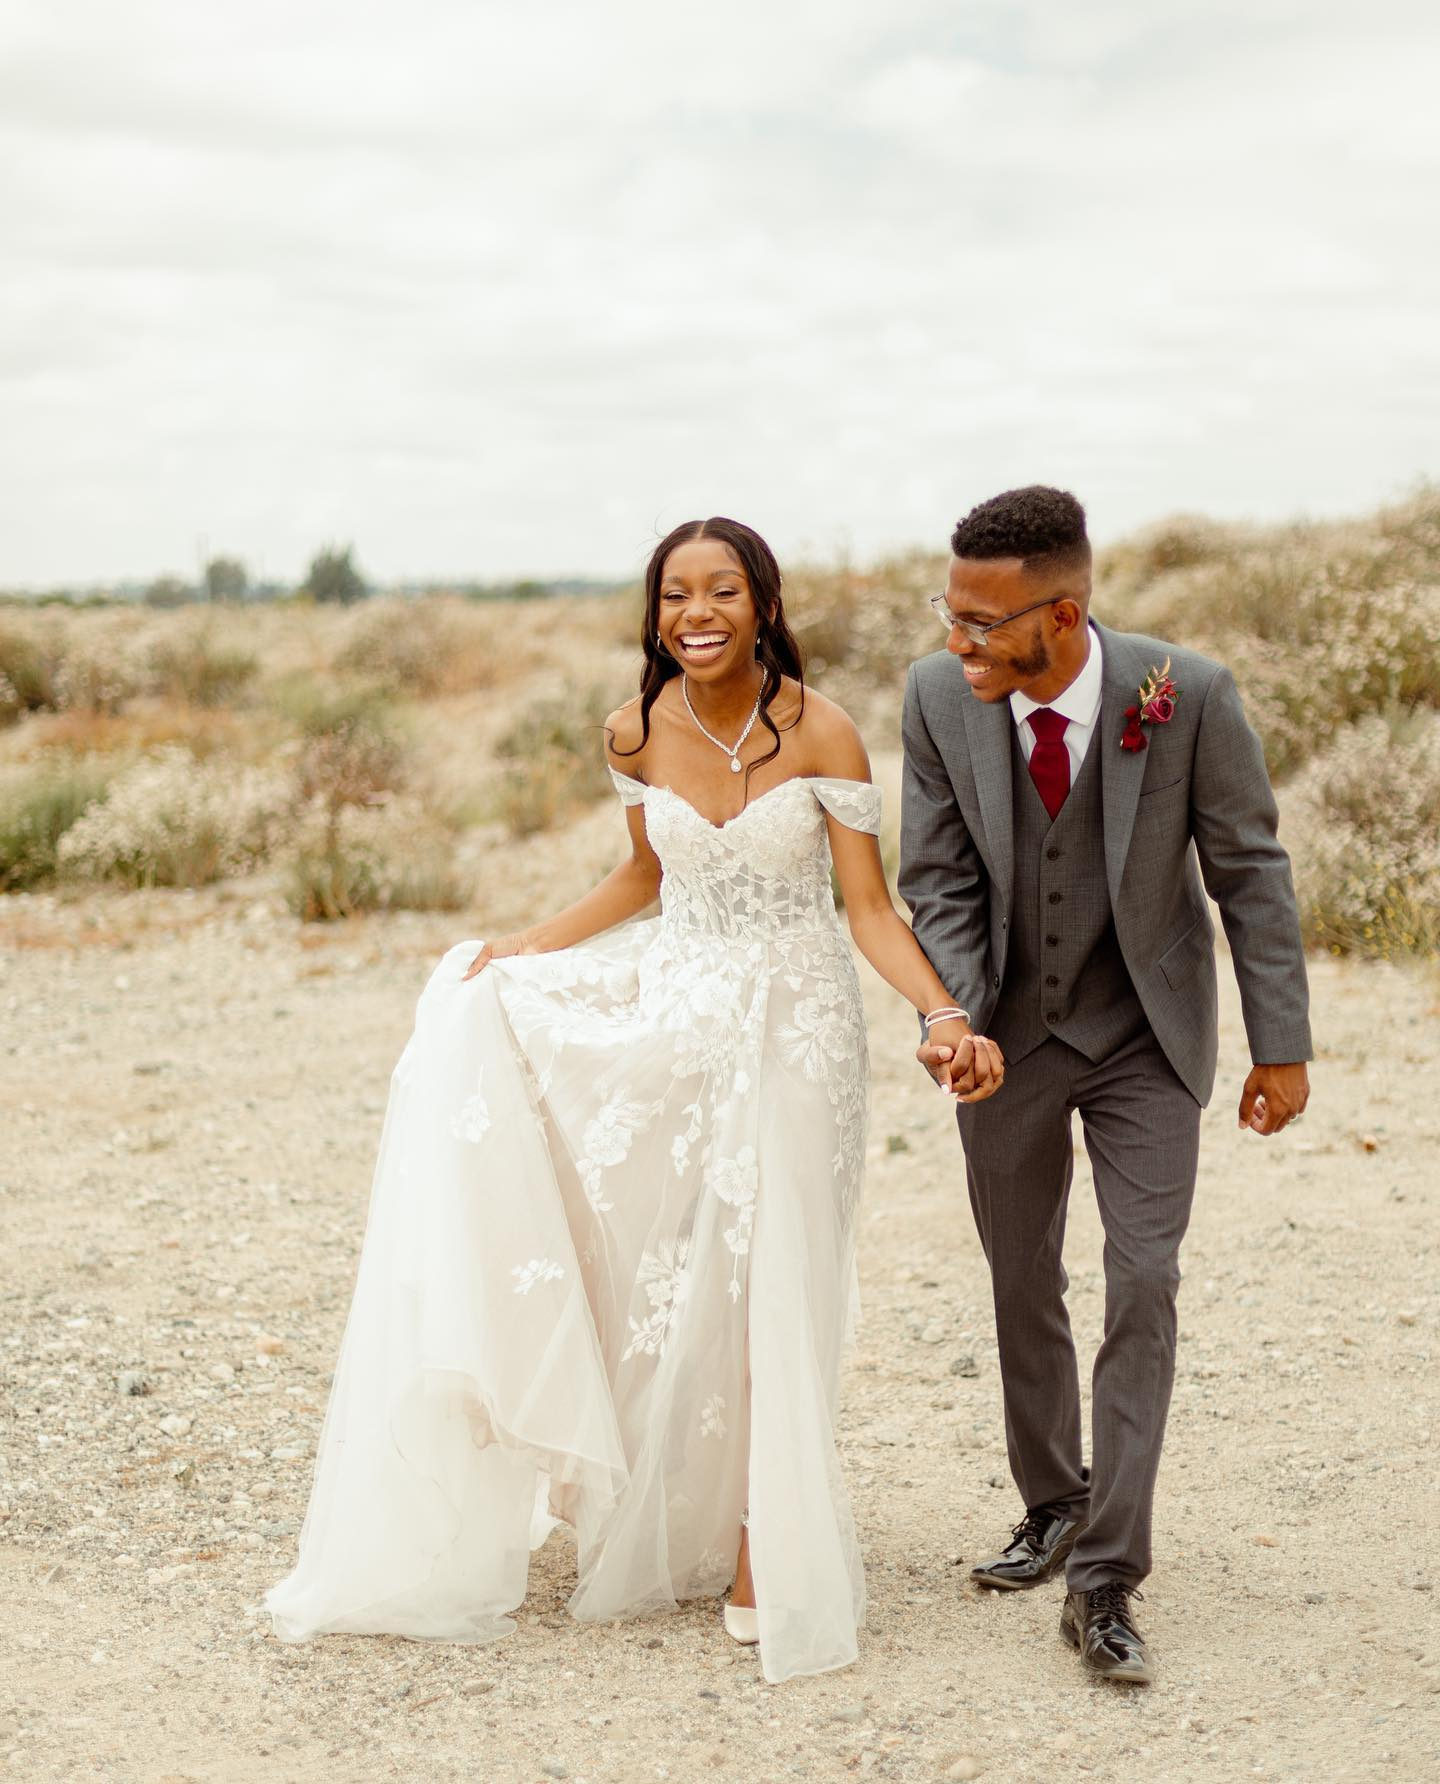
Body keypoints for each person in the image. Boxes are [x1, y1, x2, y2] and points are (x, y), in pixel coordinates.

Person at [265, 516, 1004, 1685]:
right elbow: (642, 875)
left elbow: (867, 909)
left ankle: (772, 1543)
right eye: (674, 594)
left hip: (800, 1028)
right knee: (687, 1269)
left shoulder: (825, 729)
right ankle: (682, 1506)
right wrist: (520, 947)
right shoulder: (635, 727)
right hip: (682, 1010)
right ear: (656, 610)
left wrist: (942, 1013)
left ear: (762, 600)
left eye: (720, 590)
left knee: (782, 1272)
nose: (694, 612)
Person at [898, 486, 1312, 1685]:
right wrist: (958, 1018)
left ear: (1062, 615)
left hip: (1145, 1034)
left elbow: (1250, 871)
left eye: (982, 620)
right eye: (951, 610)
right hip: (1007, 1036)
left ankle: (1107, 1577)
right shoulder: (937, 698)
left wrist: (1281, 1043)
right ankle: (1053, 1499)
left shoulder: (1187, 695)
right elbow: (939, 877)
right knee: (1020, 1272)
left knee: (1144, 1275)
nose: (957, 638)